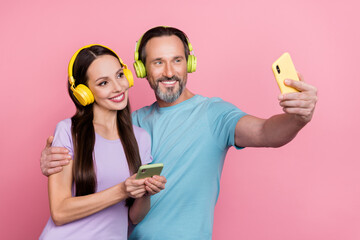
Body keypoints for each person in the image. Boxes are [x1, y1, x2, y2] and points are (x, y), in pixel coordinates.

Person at [40, 27, 318, 239]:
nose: (169, 72)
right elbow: (92, 155)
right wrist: (49, 160)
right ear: (141, 70)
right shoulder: (131, 125)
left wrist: (298, 118)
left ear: (190, 64)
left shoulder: (214, 114)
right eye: (158, 62)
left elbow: (266, 132)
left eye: (177, 60)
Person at [39, 44, 166, 240]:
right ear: (84, 92)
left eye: (119, 75)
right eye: (103, 83)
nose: (118, 87)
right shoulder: (68, 131)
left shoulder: (140, 138)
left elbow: (133, 217)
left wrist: (146, 192)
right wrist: (122, 189)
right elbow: (60, 212)